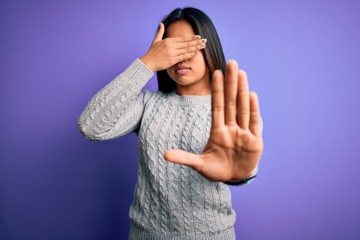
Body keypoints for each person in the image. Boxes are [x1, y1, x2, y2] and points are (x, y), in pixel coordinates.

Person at [78, 7, 263, 240]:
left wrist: (240, 173)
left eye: (190, 46)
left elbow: (243, 165)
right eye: (171, 49)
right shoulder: (148, 104)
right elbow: (90, 126)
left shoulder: (231, 107)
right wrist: (146, 64)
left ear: (210, 47)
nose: (180, 57)